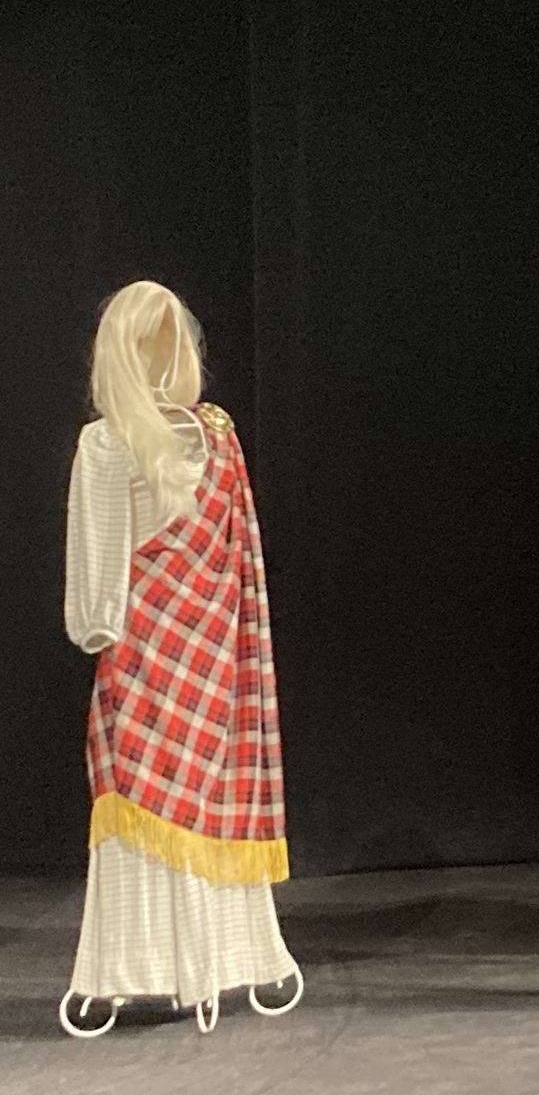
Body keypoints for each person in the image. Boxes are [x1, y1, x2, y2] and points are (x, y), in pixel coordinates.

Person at [60, 281, 301, 1036]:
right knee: (207, 796)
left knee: (138, 804)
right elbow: (237, 561)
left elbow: (97, 583)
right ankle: (226, 963)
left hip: (141, 658)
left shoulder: (106, 444)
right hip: (213, 656)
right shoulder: (218, 435)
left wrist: (97, 632)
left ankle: (136, 971)